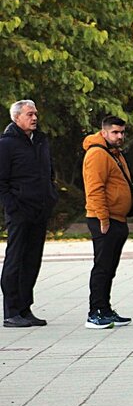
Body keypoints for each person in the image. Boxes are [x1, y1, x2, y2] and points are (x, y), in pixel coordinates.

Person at [0, 100, 58, 327]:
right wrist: (12, 206)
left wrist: (51, 196)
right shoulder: (6, 144)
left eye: (35, 114)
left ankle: (25, 308)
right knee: (15, 260)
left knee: (32, 261)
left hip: (40, 210)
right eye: (29, 114)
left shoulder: (41, 141)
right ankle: (11, 311)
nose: (34, 118)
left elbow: (49, 172)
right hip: (19, 211)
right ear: (17, 118)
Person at [82, 115, 133, 329]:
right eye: (115, 132)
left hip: (117, 218)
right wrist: (103, 218)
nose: (120, 136)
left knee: (110, 267)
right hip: (103, 219)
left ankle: (104, 308)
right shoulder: (97, 154)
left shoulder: (114, 153)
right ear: (103, 132)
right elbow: (94, 189)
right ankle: (95, 312)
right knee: (102, 267)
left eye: (122, 132)